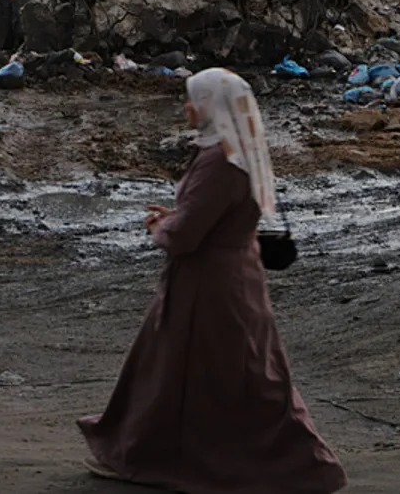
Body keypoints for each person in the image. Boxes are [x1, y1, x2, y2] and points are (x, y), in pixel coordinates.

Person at [77, 68, 348, 494]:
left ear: (211, 106)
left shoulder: (220, 159)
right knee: (234, 371)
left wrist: (159, 227)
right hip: (237, 275)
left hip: (209, 285)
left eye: (192, 99)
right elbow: (215, 219)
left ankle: (286, 465)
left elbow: (187, 236)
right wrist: (178, 218)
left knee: (192, 373)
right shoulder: (241, 150)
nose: (186, 107)